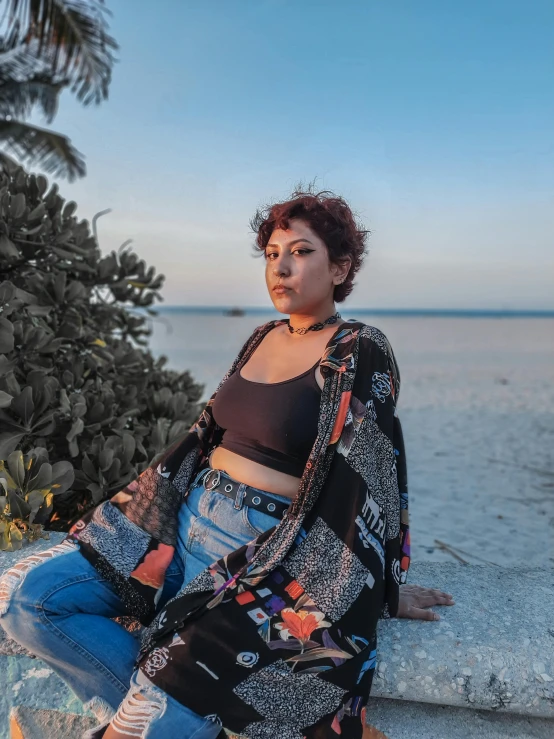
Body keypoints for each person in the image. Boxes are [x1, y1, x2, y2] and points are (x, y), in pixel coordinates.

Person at [0, 188, 454, 739]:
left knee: (165, 703)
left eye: (301, 252)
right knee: (26, 600)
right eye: (271, 253)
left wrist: (376, 591)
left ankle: (158, 713)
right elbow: (205, 436)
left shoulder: (359, 348)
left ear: (341, 267)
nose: (280, 267)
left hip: (261, 559)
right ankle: (165, 714)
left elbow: (367, 482)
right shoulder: (261, 337)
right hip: (180, 527)